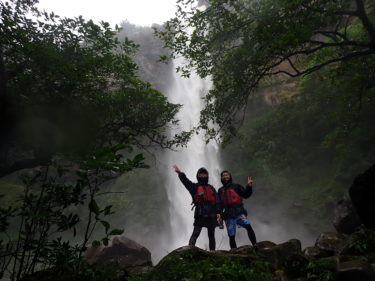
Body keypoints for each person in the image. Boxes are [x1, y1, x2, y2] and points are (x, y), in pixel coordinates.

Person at [173, 165, 220, 251]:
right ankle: (189, 251)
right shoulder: (194, 187)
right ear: (198, 176)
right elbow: (186, 182)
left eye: (204, 174)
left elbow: (217, 201)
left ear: (207, 176)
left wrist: (218, 212)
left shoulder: (211, 187)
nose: (203, 176)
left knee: (211, 234)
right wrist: (180, 173)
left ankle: (213, 253)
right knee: (196, 232)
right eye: (201, 174)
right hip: (200, 212)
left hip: (211, 213)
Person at [217, 170, 257, 249]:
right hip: (228, 215)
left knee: (248, 227)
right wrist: (219, 214)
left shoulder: (236, 186)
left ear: (230, 176)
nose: (225, 177)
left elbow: (246, 195)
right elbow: (219, 204)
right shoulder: (220, 190)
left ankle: (255, 245)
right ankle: (234, 252)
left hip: (239, 213)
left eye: (227, 175)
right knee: (231, 235)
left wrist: (249, 186)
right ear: (221, 178)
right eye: (223, 175)